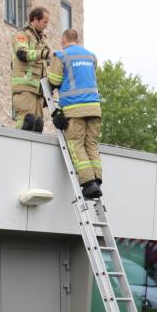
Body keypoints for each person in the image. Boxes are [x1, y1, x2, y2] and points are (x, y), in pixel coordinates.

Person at [47, 28, 103, 199]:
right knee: (90, 144)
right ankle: (96, 179)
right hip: (94, 108)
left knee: (75, 144)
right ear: (77, 40)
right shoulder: (91, 56)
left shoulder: (61, 56)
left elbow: (54, 80)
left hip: (74, 109)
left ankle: (89, 184)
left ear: (63, 39)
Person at [11, 7, 51, 133]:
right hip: (25, 88)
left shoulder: (41, 40)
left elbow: (46, 63)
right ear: (35, 19)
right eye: (45, 22)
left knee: (38, 125)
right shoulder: (22, 34)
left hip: (38, 92)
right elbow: (22, 54)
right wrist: (43, 54)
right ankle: (17, 145)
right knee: (26, 122)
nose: (46, 25)